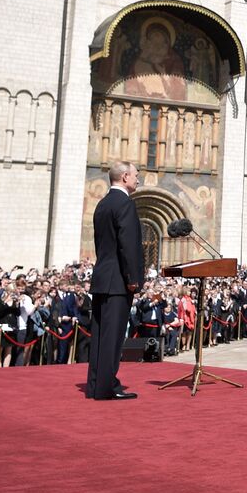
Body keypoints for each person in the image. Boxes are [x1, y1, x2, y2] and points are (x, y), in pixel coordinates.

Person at [86, 162, 143, 400]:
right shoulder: (125, 204)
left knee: (100, 335)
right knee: (113, 336)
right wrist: (133, 278)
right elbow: (128, 245)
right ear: (126, 176)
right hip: (119, 281)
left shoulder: (103, 204)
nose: (138, 180)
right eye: (136, 176)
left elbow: (103, 245)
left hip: (103, 277)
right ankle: (106, 388)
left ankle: (96, 384)